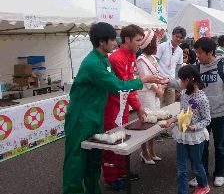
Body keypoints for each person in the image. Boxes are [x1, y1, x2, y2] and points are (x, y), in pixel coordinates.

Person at [63, 22, 162, 194]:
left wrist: (136, 104)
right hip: (81, 117)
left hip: (96, 115)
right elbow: (117, 85)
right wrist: (144, 80)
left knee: (94, 156)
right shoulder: (93, 63)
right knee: (76, 160)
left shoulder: (103, 60)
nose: (115, 43)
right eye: (112, 40)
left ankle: (94, 189)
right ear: (102, 42)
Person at [167, 37, 224, 187]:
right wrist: (166, 81)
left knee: (220, 145)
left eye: (199, 53)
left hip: (220, 114)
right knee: (201, 147)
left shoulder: (223, 67)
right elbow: (183, 83)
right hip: (199, 117)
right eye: (196, 52)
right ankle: (202, 175)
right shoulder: (197, 68)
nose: (197, 56)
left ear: (210, 52)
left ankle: (219, 173)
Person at [101, 24, 146, 190]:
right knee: (111, 143)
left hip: (123, 106)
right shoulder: (116, 58)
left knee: (123, 139)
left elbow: (130, 86)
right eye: (138, 40)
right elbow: (125, 85)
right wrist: (139, 107)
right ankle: (111, 178)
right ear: (127, 39)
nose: (140, 44)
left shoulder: (131, 56)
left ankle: (122, 172)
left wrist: (137, 106)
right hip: (112, 108)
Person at [162, 65, 211, 194]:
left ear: (189, 80)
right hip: (182, 134)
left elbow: (207, 120)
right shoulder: (184, 94)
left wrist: (194, 126)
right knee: (181, 168)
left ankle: (204, 185)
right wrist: (172, 120)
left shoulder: (202, 98)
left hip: (196, 137)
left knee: (196, 164)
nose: (180, 83)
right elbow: (182, 113)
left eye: (182, 80)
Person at [137, 30, 164, 165]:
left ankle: (152, 150)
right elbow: (146, 79)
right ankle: (144, 152)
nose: (157, 44)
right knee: (146, 122)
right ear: (150, 44)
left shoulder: (152, 58)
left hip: (155, 93)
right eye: (155, 42)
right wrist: (158, 90)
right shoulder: (141, 59)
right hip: (146, 94)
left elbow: (158, 74)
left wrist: (160, 88)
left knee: (154, 122)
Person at [157, 26, 186, 139]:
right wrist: (157, 78)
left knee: (169, 107)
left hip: (172, 81)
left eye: (180, 37)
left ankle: (164, 129)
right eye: (176, 36)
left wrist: (179, 83)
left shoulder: (180, 51)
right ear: (172, 35)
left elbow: (178, 68)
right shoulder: (162, 46)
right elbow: (156, 62)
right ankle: (156, 132)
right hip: (160, 80)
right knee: (158, 107)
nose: (178, 39)